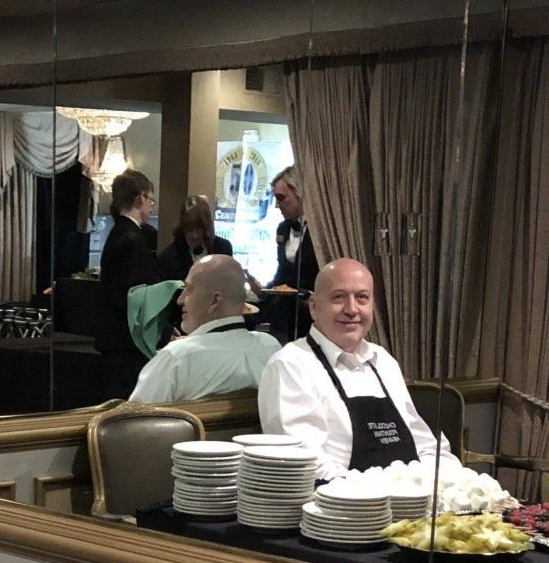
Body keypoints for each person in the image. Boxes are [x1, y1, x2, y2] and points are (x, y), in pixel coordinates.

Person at [257, 257, 460, 482]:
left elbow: (424, 444)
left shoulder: (382, 360)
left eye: (362, 298)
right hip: (342, 508)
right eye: (338, 297)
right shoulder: (290, 365)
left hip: (408, 505)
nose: (352, 309)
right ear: (314, 307)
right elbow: (304, 463)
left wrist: (449, 483)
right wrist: (378, 492)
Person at [129, 255, 277, 406]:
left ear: (215, 300)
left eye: (189, 289)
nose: (180, 299)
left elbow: (132, 421)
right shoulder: (271, 348)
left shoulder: (177, 359)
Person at [94, 168, 162, 398]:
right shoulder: (133, 238)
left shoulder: (118, 233)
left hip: (114, 338)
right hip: (126, 341)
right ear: (140, 198)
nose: (151, 206)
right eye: (150, 200)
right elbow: (135, 295)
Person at [260, 166, 317, 342]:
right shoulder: (283, 229)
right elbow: (283, 276)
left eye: (281, 198)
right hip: (284, 318)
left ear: (299, 193)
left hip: (313, 316)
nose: (277, 205)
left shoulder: (320, 232)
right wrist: (264, 290)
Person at [158, 197, 233, 282]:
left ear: (206, 227)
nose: (194, 235)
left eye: (199, 229)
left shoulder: (223, 249)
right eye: (189, 229)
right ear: (182, 228)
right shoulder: (168, 258)